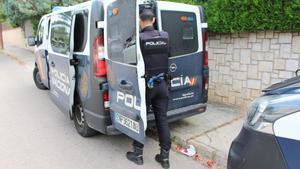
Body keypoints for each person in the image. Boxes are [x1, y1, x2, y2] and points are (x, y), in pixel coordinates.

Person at [126, 8, 171, 169]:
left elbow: (128, 58)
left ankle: (137, 155)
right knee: (162, 120)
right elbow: (168, 54)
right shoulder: (165, 36)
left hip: (145, 86)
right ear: (153, 20)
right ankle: (164, 158)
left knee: (140, 117)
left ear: (140, 20)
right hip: (162, 85)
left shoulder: (139, 39)